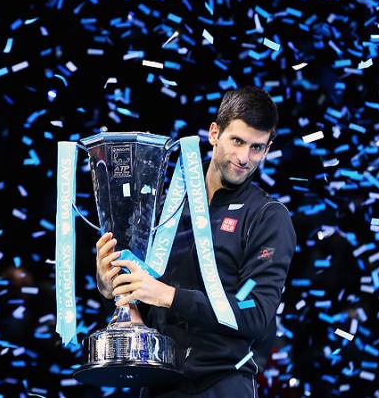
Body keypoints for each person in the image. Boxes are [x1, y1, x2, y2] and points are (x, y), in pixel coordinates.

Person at [94, 86, 296, 397]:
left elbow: (254, 311)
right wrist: (111, 284)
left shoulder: (268, 217)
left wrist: (169, 296)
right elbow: (141, 292)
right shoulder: (168, 205)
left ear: (268, 148)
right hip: (158, 381)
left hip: (221, 385)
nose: (244, 158)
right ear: (214, 133)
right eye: (237, 141)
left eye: (257, 148)